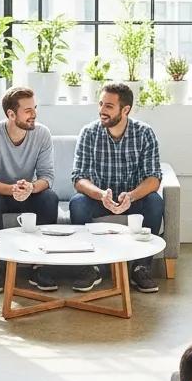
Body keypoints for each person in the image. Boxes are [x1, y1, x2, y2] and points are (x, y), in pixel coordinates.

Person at [69, 82, 163, 294]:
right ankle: (89, 267)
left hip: (133, 199)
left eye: (109, 106)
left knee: (155, 202)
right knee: (77, 204)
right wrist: (101, 194)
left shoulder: (145, 134)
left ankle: (141, 268)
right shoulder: (88, 133)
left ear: (125, 109)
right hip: (100, 199)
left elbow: (154, 178)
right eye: (101, 103)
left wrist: (131, 195)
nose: (102, 110)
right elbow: (78, 178)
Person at [0, 86, 59, 294]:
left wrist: (32, 188)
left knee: (50, 198)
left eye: (34, 108)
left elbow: (47, 177)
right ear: (11, 114)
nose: (34, 114)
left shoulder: (42, 134)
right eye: (28, 110)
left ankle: (39, 266)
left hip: (25, 192)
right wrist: (14, 189)